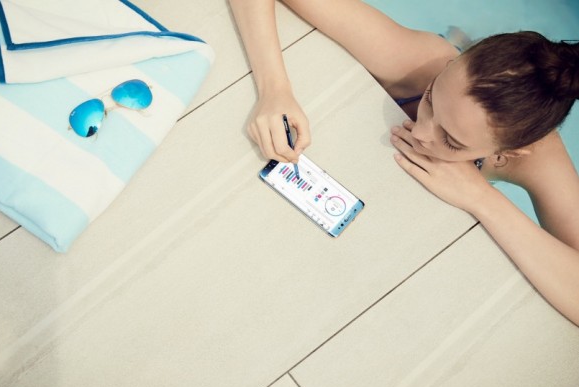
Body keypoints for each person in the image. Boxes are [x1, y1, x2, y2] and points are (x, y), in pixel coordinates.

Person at [228, 0, 579, 326]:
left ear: (510, 153)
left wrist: (481, 198)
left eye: (451, 140)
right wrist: (274, 88)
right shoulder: (421, 61)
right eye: (431, 99)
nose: (422, 132)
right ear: (449, 68)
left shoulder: (538, 158)